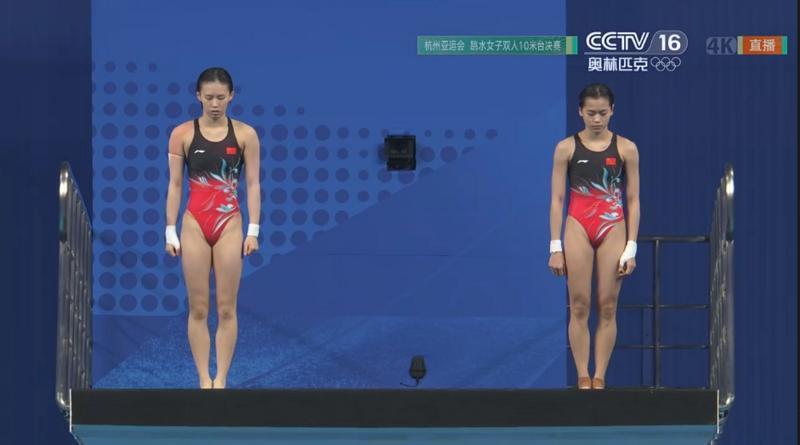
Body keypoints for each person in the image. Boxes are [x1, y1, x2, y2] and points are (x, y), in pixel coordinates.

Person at [164, 67, 261, 389]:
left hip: (229, 224)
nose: (215, 104)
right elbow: (175, 185)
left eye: (221, 97)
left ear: (231, 96)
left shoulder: (246, 135)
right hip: (194, 223)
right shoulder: (182, 134)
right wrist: (170, 230)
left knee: (226, 308)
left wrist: (253, 230)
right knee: (198, 308)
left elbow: (253, 184)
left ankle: (221, 380)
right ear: (198, 96)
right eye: (209, 98)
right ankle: (204, 379)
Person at [548, 83, 640, 390]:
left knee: (608, 305)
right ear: (580, 112)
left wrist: (631, 247)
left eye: (602, 113)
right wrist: (555, 246)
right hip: (578, 226)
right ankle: (582, 376)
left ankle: (599, 375)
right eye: (591, 113)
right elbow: (557, 200)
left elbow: (633, 200)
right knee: (579, 305)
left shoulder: (626, 148)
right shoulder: (566, 148)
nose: (597, 119)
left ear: (612, 110)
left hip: (613, 226)